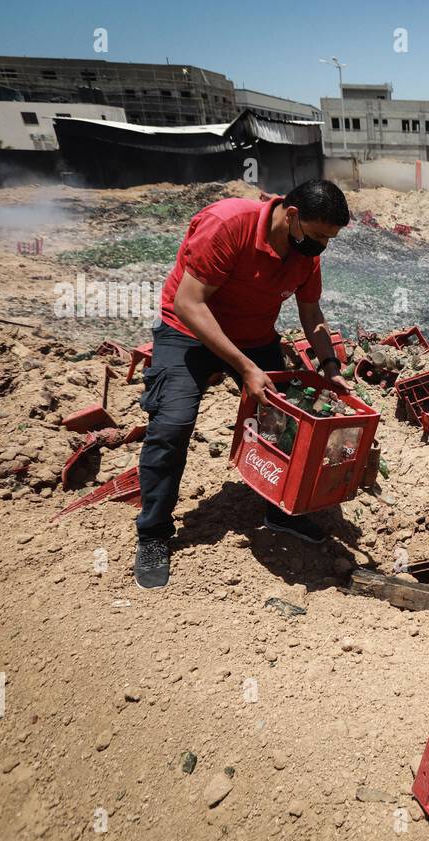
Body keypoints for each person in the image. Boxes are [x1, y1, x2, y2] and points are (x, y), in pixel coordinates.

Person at [133, 179, 350, 590]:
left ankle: (282, 512)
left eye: (330, 239)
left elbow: (311, 311)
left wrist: (330, 364)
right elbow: (188, 302)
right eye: (320, 235)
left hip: (253, 336)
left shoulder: (306, 252)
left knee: (288, 424)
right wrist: (245, 367)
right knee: (172, 425)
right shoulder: (229, 224)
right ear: (292, 216)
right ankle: (154, 534)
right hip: (189, 332)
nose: (323, 246)